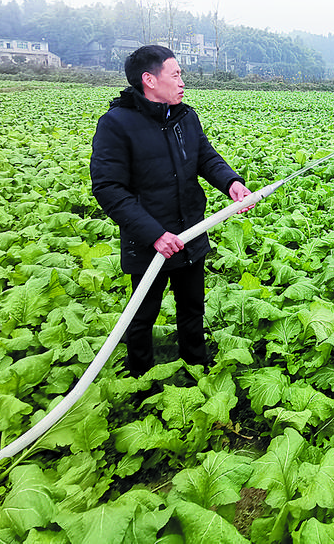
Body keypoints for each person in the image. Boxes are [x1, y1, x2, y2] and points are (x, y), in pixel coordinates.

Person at [90, 44, 252, 376]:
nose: (182, 81)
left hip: (189, 230)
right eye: (175, 74)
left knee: (192, 307)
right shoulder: (116, 124)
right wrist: (154, 234)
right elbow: (108, 188)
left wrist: (232, 184)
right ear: (149, 80)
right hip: (149, 240)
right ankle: (140, 379)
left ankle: (196, 369)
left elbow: (206, 157)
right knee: (143, 314)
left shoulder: (185, 117)